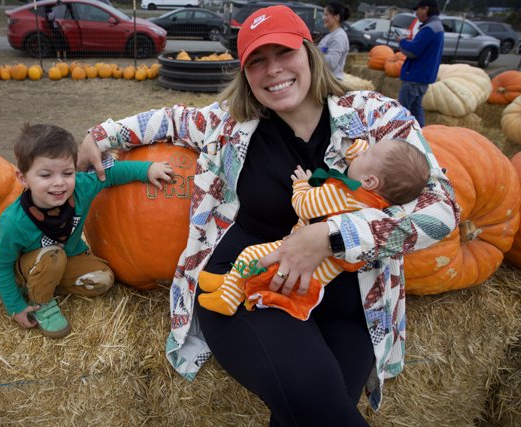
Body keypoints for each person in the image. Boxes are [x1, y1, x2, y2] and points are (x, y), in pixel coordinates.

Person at [78, 5, 458, 425]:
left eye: (284, 54)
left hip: (349, 301)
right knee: (320, 404)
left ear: (309, 53)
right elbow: (170, 119)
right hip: (250, 287)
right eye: (258, 60)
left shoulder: (375, 116)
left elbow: (442, 208)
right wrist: (100, 134)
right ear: (245, 73)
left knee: (302, 416)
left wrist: (331, 236)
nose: (273, 70)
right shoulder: (230, 125)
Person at [198, 138, 430, 319]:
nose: (361, 152)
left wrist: (301, 185)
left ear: (369, 182)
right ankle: (230, 282)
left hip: (302, 261)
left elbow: (305, 207)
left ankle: (227, 300)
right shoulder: (374, 206)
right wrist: (360, 152)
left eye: (367, 154)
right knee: (256, 265)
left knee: (252, 255)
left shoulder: (343, 194)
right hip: (322, 274)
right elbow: (361, 158)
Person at [0, 123, 173, 338]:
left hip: (66, 257)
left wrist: (147, 169)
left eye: (67, 172)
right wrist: (16, 307)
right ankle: (41, 302)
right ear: (23, 179)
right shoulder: (13, 221)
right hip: (33, 264)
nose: (59, 183)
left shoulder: (81, 188)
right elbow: (0, 265)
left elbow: (112, 174)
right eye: (46, 175)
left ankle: (47, 283)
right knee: (52, 257)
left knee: (103, 280)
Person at [397, 0, 444, 127]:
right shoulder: (436, 26)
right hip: (423, 76)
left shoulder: (429, 29)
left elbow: (413, 51)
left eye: (417, 10)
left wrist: (402, 42)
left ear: (425, 9)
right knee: (416, 109)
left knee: (402, 110)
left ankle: (401, 138)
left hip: (416, 76)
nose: (416, 13)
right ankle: (422, 134)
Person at [317, 1, 350, 80]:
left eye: (326, 15)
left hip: (332, 82)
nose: (323, 17)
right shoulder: (329, 36)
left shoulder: (339, 37)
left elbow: (331, 64)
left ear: (336, 17)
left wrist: (315, 56)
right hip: (325, 80)